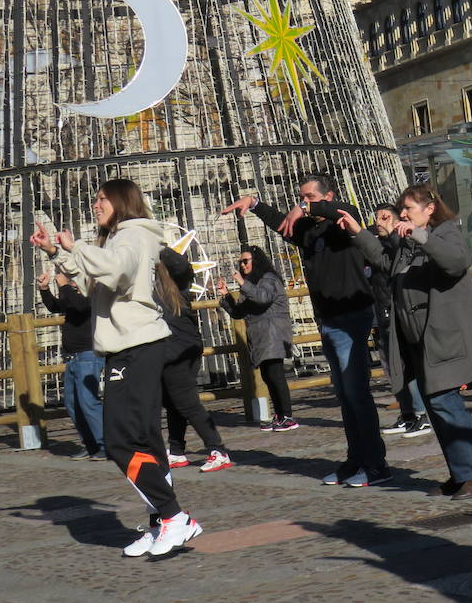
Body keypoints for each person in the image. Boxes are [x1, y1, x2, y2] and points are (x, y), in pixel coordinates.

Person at [32, 180, 202, 557]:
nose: (95, 205)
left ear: (122, 201)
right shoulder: (121, 238)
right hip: (130, 346)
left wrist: (75, 246)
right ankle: (162, 521)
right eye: (95, 199)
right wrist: (57, 253)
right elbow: (97, 280)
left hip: (137, 346)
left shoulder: (133, 234)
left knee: (120, 440)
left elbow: (118, 272)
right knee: (145, 440)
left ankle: (175, 516)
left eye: (102, 199)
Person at [222, 176, 389, 487]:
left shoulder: (343, 222)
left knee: (357, 394)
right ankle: (356, 460)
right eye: (301, 197)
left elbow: (341, 208)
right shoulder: (311, 231)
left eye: (311, 197)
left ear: (327, 196)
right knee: (345, 396)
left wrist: (304, 206)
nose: (304, 202)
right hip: (327, 319)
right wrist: (256, 204)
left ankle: (376, 464)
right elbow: (282, 223)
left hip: (350, 316)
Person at [339, 187, 472, 499]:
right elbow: (386, 262)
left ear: (430, 208)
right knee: (438, 408)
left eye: (409, 208)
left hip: (443, 337)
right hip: (418, 340)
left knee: (444, 404)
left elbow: (456, 261)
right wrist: (359, 232)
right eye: (403, 209)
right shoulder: (409, 241)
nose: (405, 214)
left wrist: (421, 236)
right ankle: (463, 473)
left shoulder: (445, 232)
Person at [157, 245, 233, 473]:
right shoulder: (156, 288)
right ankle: (177, 450)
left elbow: (182, 267)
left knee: (187, 402)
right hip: (169, 350)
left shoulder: (177, 285)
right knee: (173, 403)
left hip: (181, 349)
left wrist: (157, 247)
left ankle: (217, 449)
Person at [217, 245, 296, 431]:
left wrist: (242, 284)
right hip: (261, 336)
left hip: (273, 333)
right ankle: (279, 416)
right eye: (240, 262)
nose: (242, 265)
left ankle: (287, 416)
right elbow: (239, 313)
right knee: (268, 376)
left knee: (276, 375)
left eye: (246, 261)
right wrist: (227, 296)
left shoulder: (269, 279)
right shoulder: (251, 284)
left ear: (256, 261)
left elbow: (263, 298)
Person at [371, 203, 430, 438]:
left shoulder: (402, 244)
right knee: (392, 367)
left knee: (407, 365)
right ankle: (408, 414)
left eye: (385, 217)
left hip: (398, 312)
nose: (379, 222)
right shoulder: (378, 245)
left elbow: (399, 255)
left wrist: (394, 231)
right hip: (380, 312)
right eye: (376, 218)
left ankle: (422, 413)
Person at [37, 269, 105, 460]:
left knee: (88, 401)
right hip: (73, 357)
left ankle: (105, 443)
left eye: (75, 279)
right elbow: (55, 306)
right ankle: (91, 444)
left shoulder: (94, 294)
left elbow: (81, 307)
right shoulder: (73, 295)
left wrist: (64, 286)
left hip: (89, 354)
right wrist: (44, 289)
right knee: (72, 403)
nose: (72, 282)